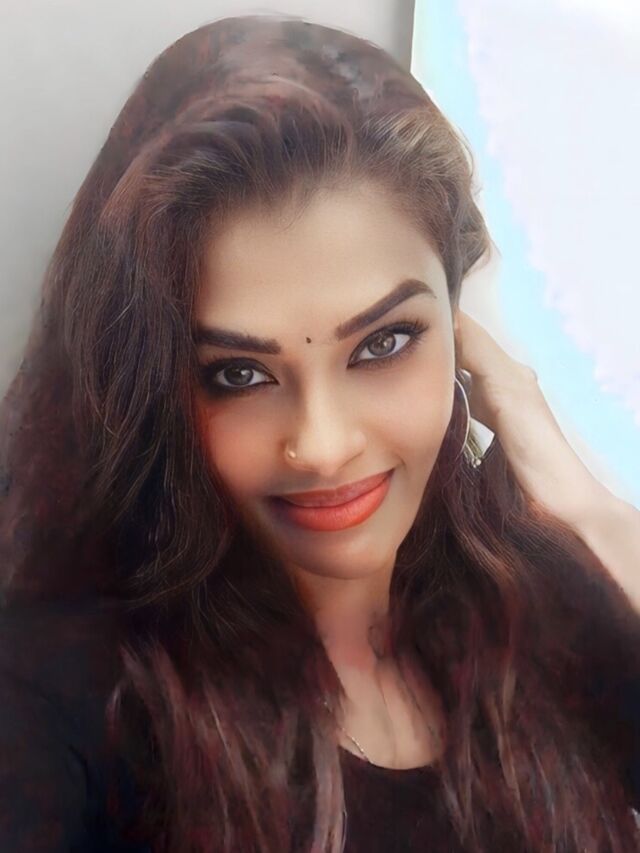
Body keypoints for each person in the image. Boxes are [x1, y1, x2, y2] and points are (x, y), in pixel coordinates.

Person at [0, 12, 638, 852]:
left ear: (458, 323)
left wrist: (593, 514)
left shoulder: (547, 604)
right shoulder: (71, 694)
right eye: (239, 374)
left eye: (383, 343)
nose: (324, 445)